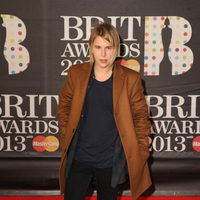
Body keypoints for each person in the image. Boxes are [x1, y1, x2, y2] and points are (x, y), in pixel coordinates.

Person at [57, 22, 152, 200]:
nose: (103, 53)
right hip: (79, 156)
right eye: (98, 47)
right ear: (90, 48)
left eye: (108, 47)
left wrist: (140, 149)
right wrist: (66, 132)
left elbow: (141, 118)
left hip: (111, 160)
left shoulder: (130, 79)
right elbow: (64, 105)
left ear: (116, 49)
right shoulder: (76, 73)